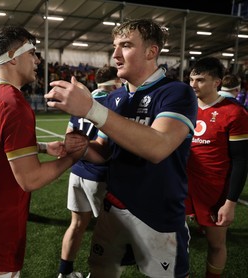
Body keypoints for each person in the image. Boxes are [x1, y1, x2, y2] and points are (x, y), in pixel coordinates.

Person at [45, 18, 198, 278]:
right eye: (115, 46)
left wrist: (91, 109)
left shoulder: (177, 93)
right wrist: (82, 147)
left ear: (151, 52)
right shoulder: (116, 98)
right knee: (101, 270)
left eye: (125, 46)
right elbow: (104, 152)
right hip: (113, 209)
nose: (115, 55)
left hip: (158, 214)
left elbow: (158, 147)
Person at [0, 26, 88, 278]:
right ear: (14, 56)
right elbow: (30, 179)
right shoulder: (13, 104)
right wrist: (72, 157)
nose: (37, 60)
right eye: (33, 53)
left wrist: (42, 147)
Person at [187, 57, 248, 278]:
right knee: (172, 240)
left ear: (217, 82)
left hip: (214, 191)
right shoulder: (185, 106)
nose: (193, 85)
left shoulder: (234, 112)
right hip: (182, 185)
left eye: (200, 80)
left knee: (215, 244)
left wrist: (230, 203)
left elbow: (241, 160)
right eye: (191, 79)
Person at [58, 66, 120, 278]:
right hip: (98, 175)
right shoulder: (110, 102)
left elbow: (68, 136)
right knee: (108, 234)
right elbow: (102, 144)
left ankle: (64, 273)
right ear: (113, 84)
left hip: (77, 172)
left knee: (76, 224)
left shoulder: (81, 101)